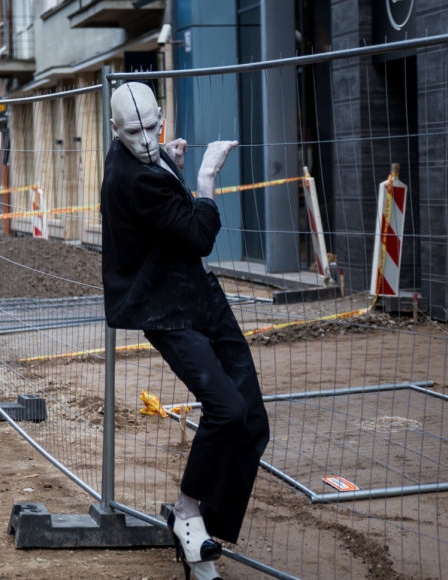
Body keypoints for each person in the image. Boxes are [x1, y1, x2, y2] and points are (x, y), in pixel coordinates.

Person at [100, 82, 269, 580]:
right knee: (227, 408)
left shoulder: (137, 158)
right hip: (166, 310)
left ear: (162, 119)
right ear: (115, 131)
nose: (148, 140)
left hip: (199, 297)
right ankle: (188, 512)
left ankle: (199, 537)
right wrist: (205, 179)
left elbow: (154, 175)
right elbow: (198, 235)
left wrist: (169, 163)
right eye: (135, 132)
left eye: (154, 128)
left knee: (252, 420)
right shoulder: (134, 177)